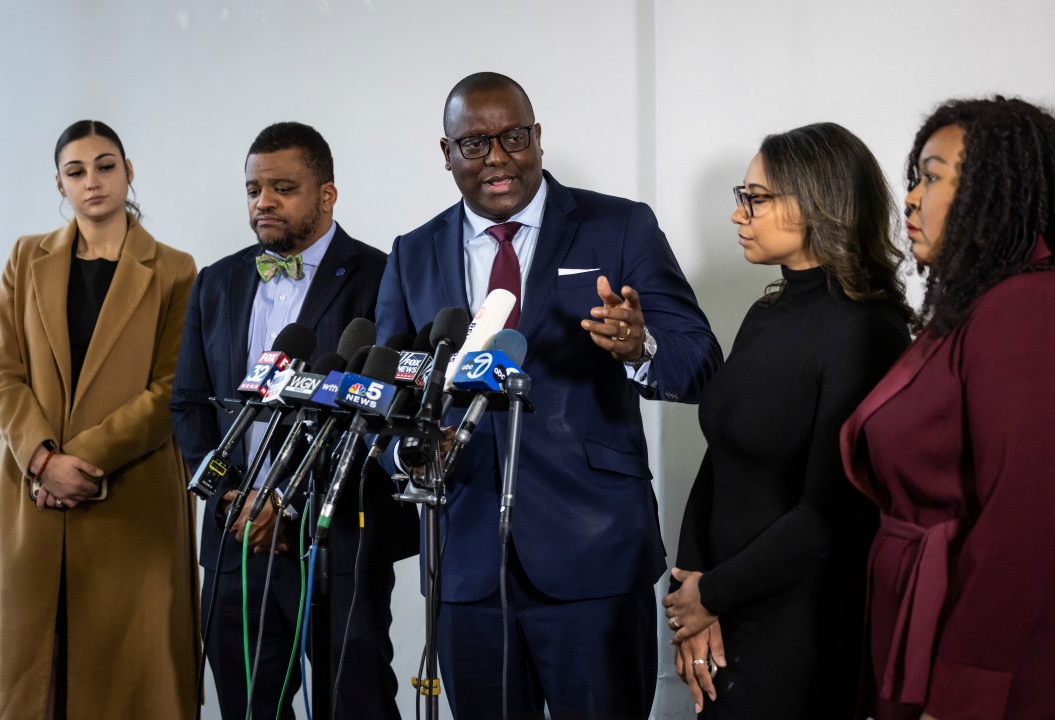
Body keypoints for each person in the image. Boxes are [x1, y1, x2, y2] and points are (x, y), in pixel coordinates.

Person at [374, 71, 721, 719]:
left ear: (538, 138)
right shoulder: (412, 255)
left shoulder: (620, 228)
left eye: (513, 137)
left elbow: (699, 361)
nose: (498, 157)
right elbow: (386, 397)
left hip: (593, 555)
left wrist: (640, 347)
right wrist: (410, 454)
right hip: (466, 564)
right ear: (445, 154)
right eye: (474, 144)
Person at [662, 123, 914, 718]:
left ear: (815, 201)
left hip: (799, 628)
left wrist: (710, 595)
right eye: (739, 197)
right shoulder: (766, 309)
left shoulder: (867, 332)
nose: (738, 215)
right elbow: (721, 454)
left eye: (756, 198)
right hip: (720, 611)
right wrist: (689, 590)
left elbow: (829, 517)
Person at [170, 121, 418, 720]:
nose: (264, 203)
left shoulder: (383, 276)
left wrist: (289, 506)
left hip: (336, 539)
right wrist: (233, 497)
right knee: (248, 706)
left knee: (353, 701)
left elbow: (385, 413)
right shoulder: (217, 281)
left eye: (283, 188)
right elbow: (189, 404)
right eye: (254, 189)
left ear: (327, 195)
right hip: (236, 539)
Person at [0, 120, 199, 718]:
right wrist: (46, 461)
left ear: (129, 172)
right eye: (76, 172)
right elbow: (0, 372)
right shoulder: (25, 257)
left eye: (105, 166)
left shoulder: (176, 269)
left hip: (131, 496)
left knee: (128, 678)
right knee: (24, 678)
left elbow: (171, 388)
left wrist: (86, 461)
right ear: (60, 183)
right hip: (28, 491)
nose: (92, 181)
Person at [841, 97, 1055, 720]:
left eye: (931, 177)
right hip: (921, 614)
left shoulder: (1024, 308)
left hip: (976, 648)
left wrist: (961, 698)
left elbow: (1027, 517)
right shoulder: (976, 306)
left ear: (997, 191)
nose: (911, 197)